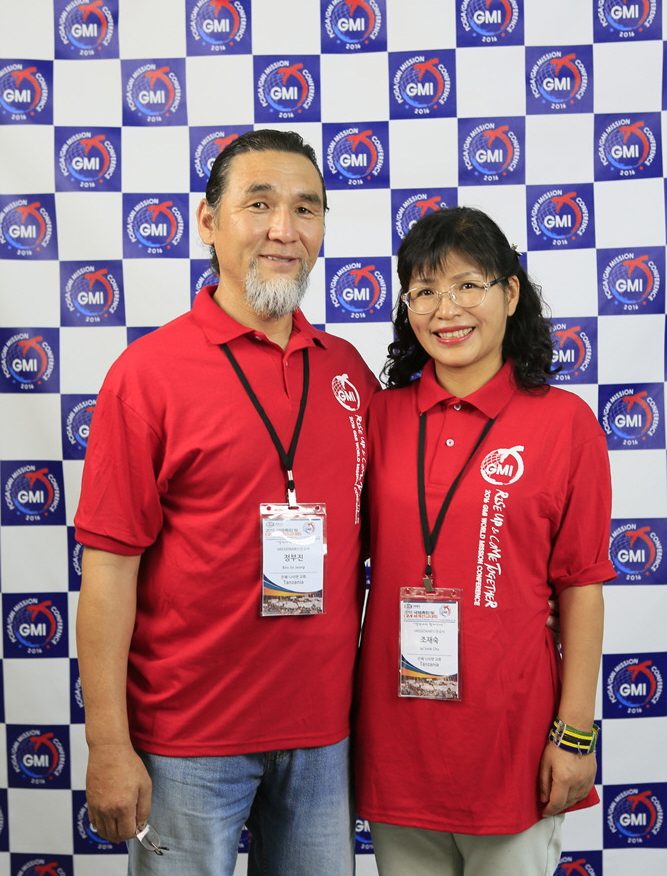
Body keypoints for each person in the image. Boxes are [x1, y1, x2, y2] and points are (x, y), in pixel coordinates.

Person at [75, 129, 378, 876]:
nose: (284, 229)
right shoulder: (147, 375)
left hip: (323, 736)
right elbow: (109, 571)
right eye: (259, 204)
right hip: (188, 740)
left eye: (305, 209)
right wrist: (108, 744)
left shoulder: (347, 372)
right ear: (209, 222)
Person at [354, 207, 614, 875]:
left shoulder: (565, 424)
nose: (446, 309)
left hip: (513, 746)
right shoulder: (379, 417)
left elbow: (581, 588)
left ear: (510, 292)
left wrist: (575, 735)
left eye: (468, 284)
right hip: (397, 743)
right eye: (424, 290)